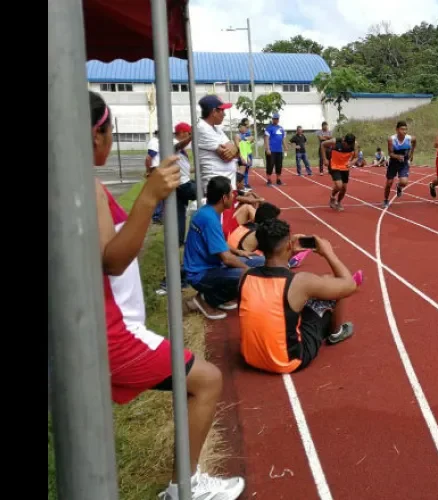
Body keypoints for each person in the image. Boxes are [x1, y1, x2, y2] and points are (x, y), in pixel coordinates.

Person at [88, 91, 245, 500]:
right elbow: (114, 261)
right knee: (207, 380)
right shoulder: (87, 188)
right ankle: (185, 487)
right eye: (109, 133)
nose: (109, 140)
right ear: (94, 138)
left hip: (101, 324)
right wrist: (148, 197)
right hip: (114, 331)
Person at [239, 219, 362, 374]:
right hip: (288, 360)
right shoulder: (300, 282)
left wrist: (288, 251)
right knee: (333, 284)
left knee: (296, 300)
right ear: (289, 245)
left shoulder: (245, 275)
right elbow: (349, 286)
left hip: (250, 357)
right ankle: (336, 333)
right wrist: (329, 253)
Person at [183, 177, 265, 320]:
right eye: (231, 193)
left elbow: (218, 242)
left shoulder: (209, 212)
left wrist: (239, 251)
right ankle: (206, 301)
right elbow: (226, 259)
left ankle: (218, 297)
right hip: (201, 274)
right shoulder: (209, 218)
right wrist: (246, 269)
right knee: (251, 274)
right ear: (224, 197)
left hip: (211, 266)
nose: (234, 196)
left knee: (261, 261)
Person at [154, 122, 199, 296]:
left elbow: (186, 170)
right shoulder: (171, 145)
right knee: (176, 239)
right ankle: (170, 280)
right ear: (181, 133)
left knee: (180, 236)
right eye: (186, 133)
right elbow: (178, 145)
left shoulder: (182, 153)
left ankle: (180, 277)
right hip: (181, 188)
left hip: (183, 190)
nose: (188, 137)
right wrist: (192, 136)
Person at [226, 202, 312, 268]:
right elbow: (274, 254)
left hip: (233, 254)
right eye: (276, 219)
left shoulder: (248, 225)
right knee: (274, 260)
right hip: (238, 260)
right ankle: (292, 262)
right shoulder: (259, 234)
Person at [196, 95, 241, 192]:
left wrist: (235, 148)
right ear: (214, 112)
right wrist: (236, 145)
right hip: (216, 190)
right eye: (222, 110)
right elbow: (226, 155)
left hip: (226, 188)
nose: (224, 114)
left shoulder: (216, 129)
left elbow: (236, 153)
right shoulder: (202, 128)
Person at [322, 133, 358, 211]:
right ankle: (332, 197)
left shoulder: (354, 144)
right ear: (344, 141)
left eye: (349, 146)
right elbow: (323, 144)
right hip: (334, 165)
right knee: (339, 185)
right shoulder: (335, 141)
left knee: (344, 188)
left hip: (344, 166)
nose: (348, 147)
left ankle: (339, 203)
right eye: (346, 145)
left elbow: (356, 157)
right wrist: (324, 159)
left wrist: (351, 163)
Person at [383, 121, 416, 208]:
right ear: (397, 130)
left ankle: (399, 186)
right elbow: (390, 153)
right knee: (389, 183)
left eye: (406, 129)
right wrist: (397, 156)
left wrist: (411, 154)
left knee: (404, 182)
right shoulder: (391, 139)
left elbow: (414, 142)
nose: (404, 131)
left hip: (404, 162)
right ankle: (386, 200)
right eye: (402, 129)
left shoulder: (410, 138)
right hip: (393, 162)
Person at [145, 130, 164, 223]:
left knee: (162, 194)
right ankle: (157, 216)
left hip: (158, 168)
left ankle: (160, 215)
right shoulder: (154, 142)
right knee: (159, 194)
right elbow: (148, 158)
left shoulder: (158, 142)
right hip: (155, 169)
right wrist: (148, 171)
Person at [265, 113, 287, 186]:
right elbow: (266, 138)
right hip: (271, 150)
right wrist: (267, 149)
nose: (276, 120)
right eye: (275, 118)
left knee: (279, 165)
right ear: (272, 119)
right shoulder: (269, 128)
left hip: (279, 150)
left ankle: (278, 180)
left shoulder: (281, 128)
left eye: (277, 119)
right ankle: (269, 180)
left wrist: (285, 147)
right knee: (270, 165)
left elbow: (283, 139)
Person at [238, 120, 253, 189]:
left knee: (246, 169)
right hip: (243, 155)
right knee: (242, 170)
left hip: (248, 153)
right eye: (245, 126)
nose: (246, 128)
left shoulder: (248, 133)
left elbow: (251, 139)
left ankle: (245, 183)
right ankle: (242, 184)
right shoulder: (239, 136)